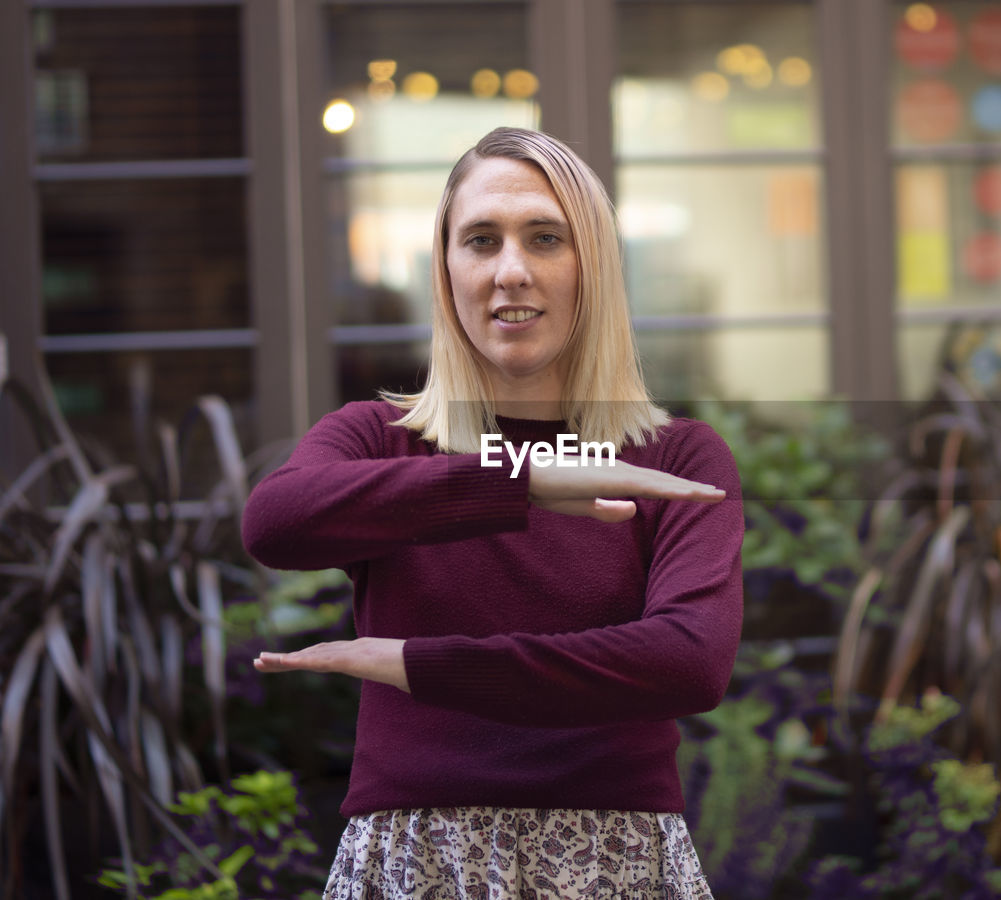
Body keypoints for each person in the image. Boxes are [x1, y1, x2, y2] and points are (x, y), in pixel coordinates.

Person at [241, 126, 743, 899]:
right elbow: (275, 523)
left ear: (594, 269)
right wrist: (522, 478)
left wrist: (416, 665)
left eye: (546, 238)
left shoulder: (673, 459)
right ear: (447, 271)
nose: (512, 270)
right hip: (417, 861)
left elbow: (687, 662)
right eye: (482, 240)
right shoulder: (377, 438)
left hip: (613, 862)